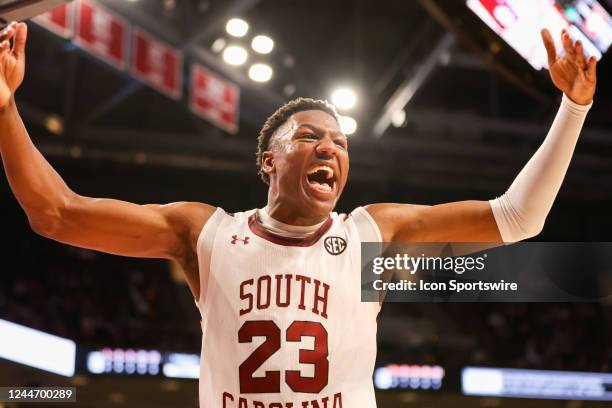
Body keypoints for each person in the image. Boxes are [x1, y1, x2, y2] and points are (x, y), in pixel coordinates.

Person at [0, 20, 597, 408]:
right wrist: (4, 108)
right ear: (269, 159)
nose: (331, 149)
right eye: (311, 136)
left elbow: (519, 217)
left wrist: (572, 108)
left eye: (340, 143)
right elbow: (55, 213)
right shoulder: (206, 232)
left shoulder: (372, 234)